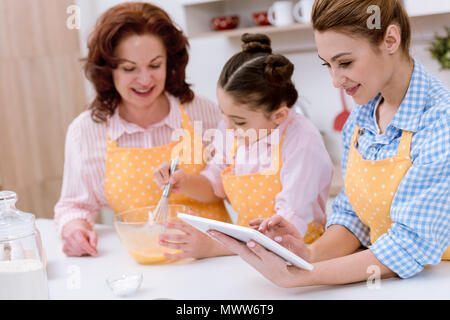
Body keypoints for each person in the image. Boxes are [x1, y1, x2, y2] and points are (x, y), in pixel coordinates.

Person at [208, 0, 450, 287]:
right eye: (328, 65)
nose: (335, 80)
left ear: (390, 39)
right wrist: (308, 254)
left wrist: (302, 276)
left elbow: (408, 245)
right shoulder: (361, 117)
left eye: (345, 62)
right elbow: (353, 216)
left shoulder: (440, 122)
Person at [54, 2, 231, 257]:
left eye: (155, 65)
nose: (145, 79)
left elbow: (233, 183)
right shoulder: (85, 131)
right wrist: (75, 231)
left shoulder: (203, 113)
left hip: (215, 260)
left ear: (169, 63)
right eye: (129, 69)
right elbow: (74, 205)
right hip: (143, 262)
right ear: (108, 69)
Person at [154, 33, 333, 260]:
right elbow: (214, 183)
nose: (227, 127)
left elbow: (287, 230)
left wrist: (212, 247)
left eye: (239, 121)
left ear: (279, 115)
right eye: (223, 113)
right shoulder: (230, 130)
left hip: (295, 257)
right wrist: (185, 181)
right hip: (245, 253)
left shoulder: (302, 142)